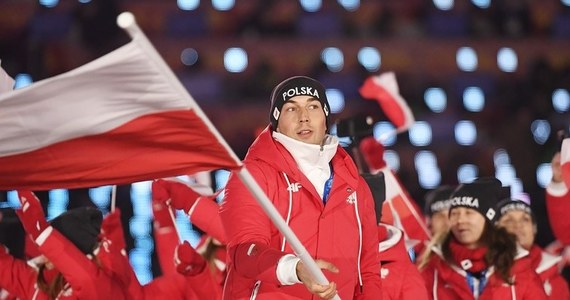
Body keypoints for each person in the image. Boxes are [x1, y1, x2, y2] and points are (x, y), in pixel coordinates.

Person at [219, 76, 382, 299]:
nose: (304, 118)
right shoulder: (253, 176)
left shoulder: (354, 184)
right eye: (291, 109)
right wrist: (294, 269)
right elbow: (243, 252)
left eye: (313, 107)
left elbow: (368, 271)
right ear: (276, 120)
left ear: (325, 118)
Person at [419, 177, 548, 300]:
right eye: (454, 213)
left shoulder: (517, 267)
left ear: (489, 219)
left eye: (469, 213)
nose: (460, 220)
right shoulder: (433, 267)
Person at [0, 190, 128, 300]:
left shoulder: (99, 286)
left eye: (56, 239)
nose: (43, 250)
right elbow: (4, 267)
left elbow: (85, 278)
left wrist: (43, 235)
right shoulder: (41, 281)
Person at [495, 198, 570, 299]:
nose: (518, 225)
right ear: (494, 230)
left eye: (525, 219)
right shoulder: (481, 271)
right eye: (508, 220)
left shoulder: (555, 280)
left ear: (534, 230)